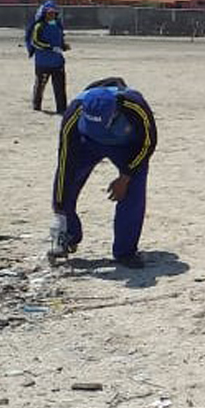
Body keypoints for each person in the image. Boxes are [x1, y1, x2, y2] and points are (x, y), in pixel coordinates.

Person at [47, 77, 156, 267]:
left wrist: (126, 176)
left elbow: (148, 143)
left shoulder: (134, 105)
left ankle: (125, 252)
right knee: (67, 183)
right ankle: (68, 235)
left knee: (133, 191)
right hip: (86, 145)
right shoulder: (74, 112)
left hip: (127, 147)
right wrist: (59, 211)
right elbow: (65, 162)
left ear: (115, 112)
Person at [27, 0, 70, 115]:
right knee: (40, 85)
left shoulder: (58, 25)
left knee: (60, 86)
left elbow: (60, 40)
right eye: (49, 13)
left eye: (54, 13)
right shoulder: (39, 26)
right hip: (43, 62)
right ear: (44, 14)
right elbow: (35, 42)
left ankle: (62, 109)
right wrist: (50, 48)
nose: (52, 15)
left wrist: (63, 46)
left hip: (58, 62)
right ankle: (37, 106)